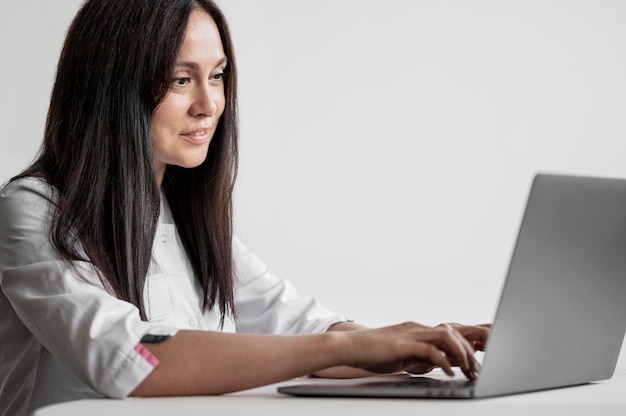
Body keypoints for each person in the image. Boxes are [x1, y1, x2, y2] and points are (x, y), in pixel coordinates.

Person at [0, 1, 490, 415]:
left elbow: (297, 326)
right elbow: (125, 357)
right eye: (179, 80)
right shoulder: (33, 210)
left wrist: (411, 347)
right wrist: (350, 345)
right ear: (111, 88)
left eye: (216, 76)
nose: (210, 104)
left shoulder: (183, 216)